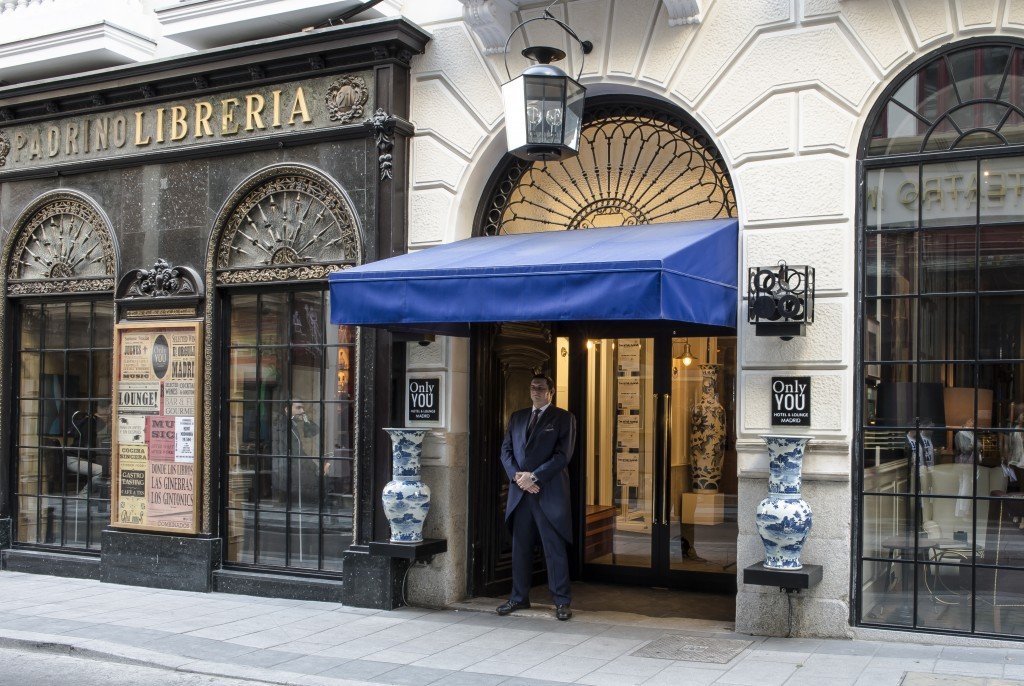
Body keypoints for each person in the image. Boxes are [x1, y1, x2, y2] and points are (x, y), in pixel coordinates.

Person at [496, 374, 576, 621]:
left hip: (547, 493)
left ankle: (561, 601)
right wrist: (518, 477)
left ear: (551, 392)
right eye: (533, 387)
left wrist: (535, 477)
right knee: (520, 547)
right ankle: (519, 598)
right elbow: (506, 451)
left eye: (541, 388)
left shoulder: (564, 418)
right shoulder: (518, 417)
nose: (536, 391)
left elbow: (563, 455)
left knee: (554, 548)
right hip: (521, 494)